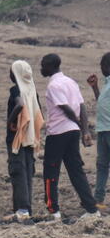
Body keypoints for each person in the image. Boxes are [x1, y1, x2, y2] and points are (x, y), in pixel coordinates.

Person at [40, 53, 99, 219]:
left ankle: (53, 211)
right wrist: (84, 130)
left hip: (58, 133)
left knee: (51, 172)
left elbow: (67, 110)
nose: (41, 68)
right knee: (76, 171)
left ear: (51, 66)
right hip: (72, 133)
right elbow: (82, 106)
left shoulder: (54, 86)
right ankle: (92, 210)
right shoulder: (70, 82)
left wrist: (82, 127)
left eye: (43, 65)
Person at [6, 60, 45, 221]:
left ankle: (21, 210)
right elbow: (39, 113)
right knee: (28, 170)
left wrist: (11, 122)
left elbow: (20, 105)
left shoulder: (17, 90)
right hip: (30, 136)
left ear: (16, 75)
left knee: (17, 171)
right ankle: (25, 209)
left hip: (17, 137)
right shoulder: (32, 90)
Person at [85, 52, 110, 208]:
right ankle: (99, 200)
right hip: (103, 131)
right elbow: (103, 103)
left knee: (102, 165)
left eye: (102, 66)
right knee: (101, 165)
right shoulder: (107, 84)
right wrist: (95, 88)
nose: (101, 69)